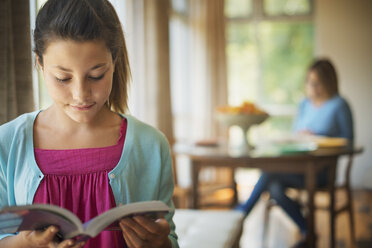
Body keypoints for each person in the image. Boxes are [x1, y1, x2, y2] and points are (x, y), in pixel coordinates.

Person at [0, 0, 178, 247]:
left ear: (114, 61)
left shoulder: (150, 145)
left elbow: (169, 237)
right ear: (40, 64)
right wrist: (22, 244)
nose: (80, 94)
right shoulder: (7, 143)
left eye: (96, 75)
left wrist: (160, 244)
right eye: (63, 78)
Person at [236, 58, 354, 246]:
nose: (312, 88)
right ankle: (307, 229)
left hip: (322, 172)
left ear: (328, 82)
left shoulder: (339, 105)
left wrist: (320, 139)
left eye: (317, 83)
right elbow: (295, 133)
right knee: (273, 186)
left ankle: (240, 213)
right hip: (298, 167)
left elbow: (349, 143)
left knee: (269, 173)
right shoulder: (304, 105)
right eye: (309, 82)